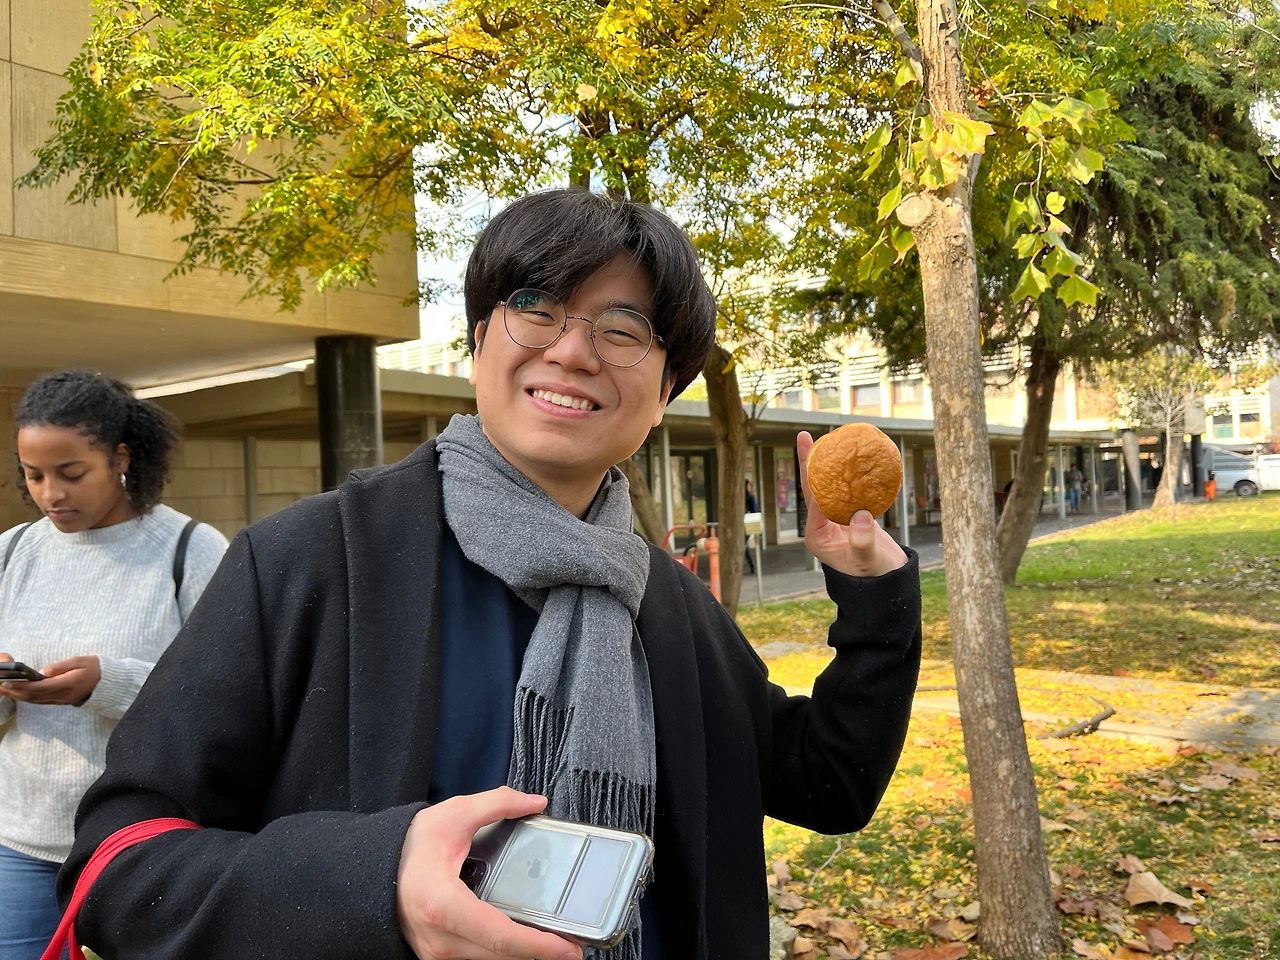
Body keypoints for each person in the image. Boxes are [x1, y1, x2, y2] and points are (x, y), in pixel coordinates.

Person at [60, 190, 921, 960]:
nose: (572, 351)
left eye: (622, 330)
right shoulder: (310, 560)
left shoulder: (668, 604)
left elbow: (828, 783)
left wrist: (873, 592)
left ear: (665, 394)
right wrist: (377, 884)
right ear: (478, 342)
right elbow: (117, 863)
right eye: (535, 309)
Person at [0, 371, 228, 959]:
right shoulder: (12, 551)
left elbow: (228, 697)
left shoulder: (192, 551)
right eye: (33, 475)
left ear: (120, 459)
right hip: (21, 839)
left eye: (71, 473)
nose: (51, 494)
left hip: (145, 844)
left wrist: (108, 684)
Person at [744, 478, 759, 574]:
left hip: (746, 524)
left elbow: (754, 512)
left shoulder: (749, 497)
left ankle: (751, 565)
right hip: (745, 524)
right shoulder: (749, 497)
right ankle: (751, 565)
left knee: (743, 546)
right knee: (744, 546)